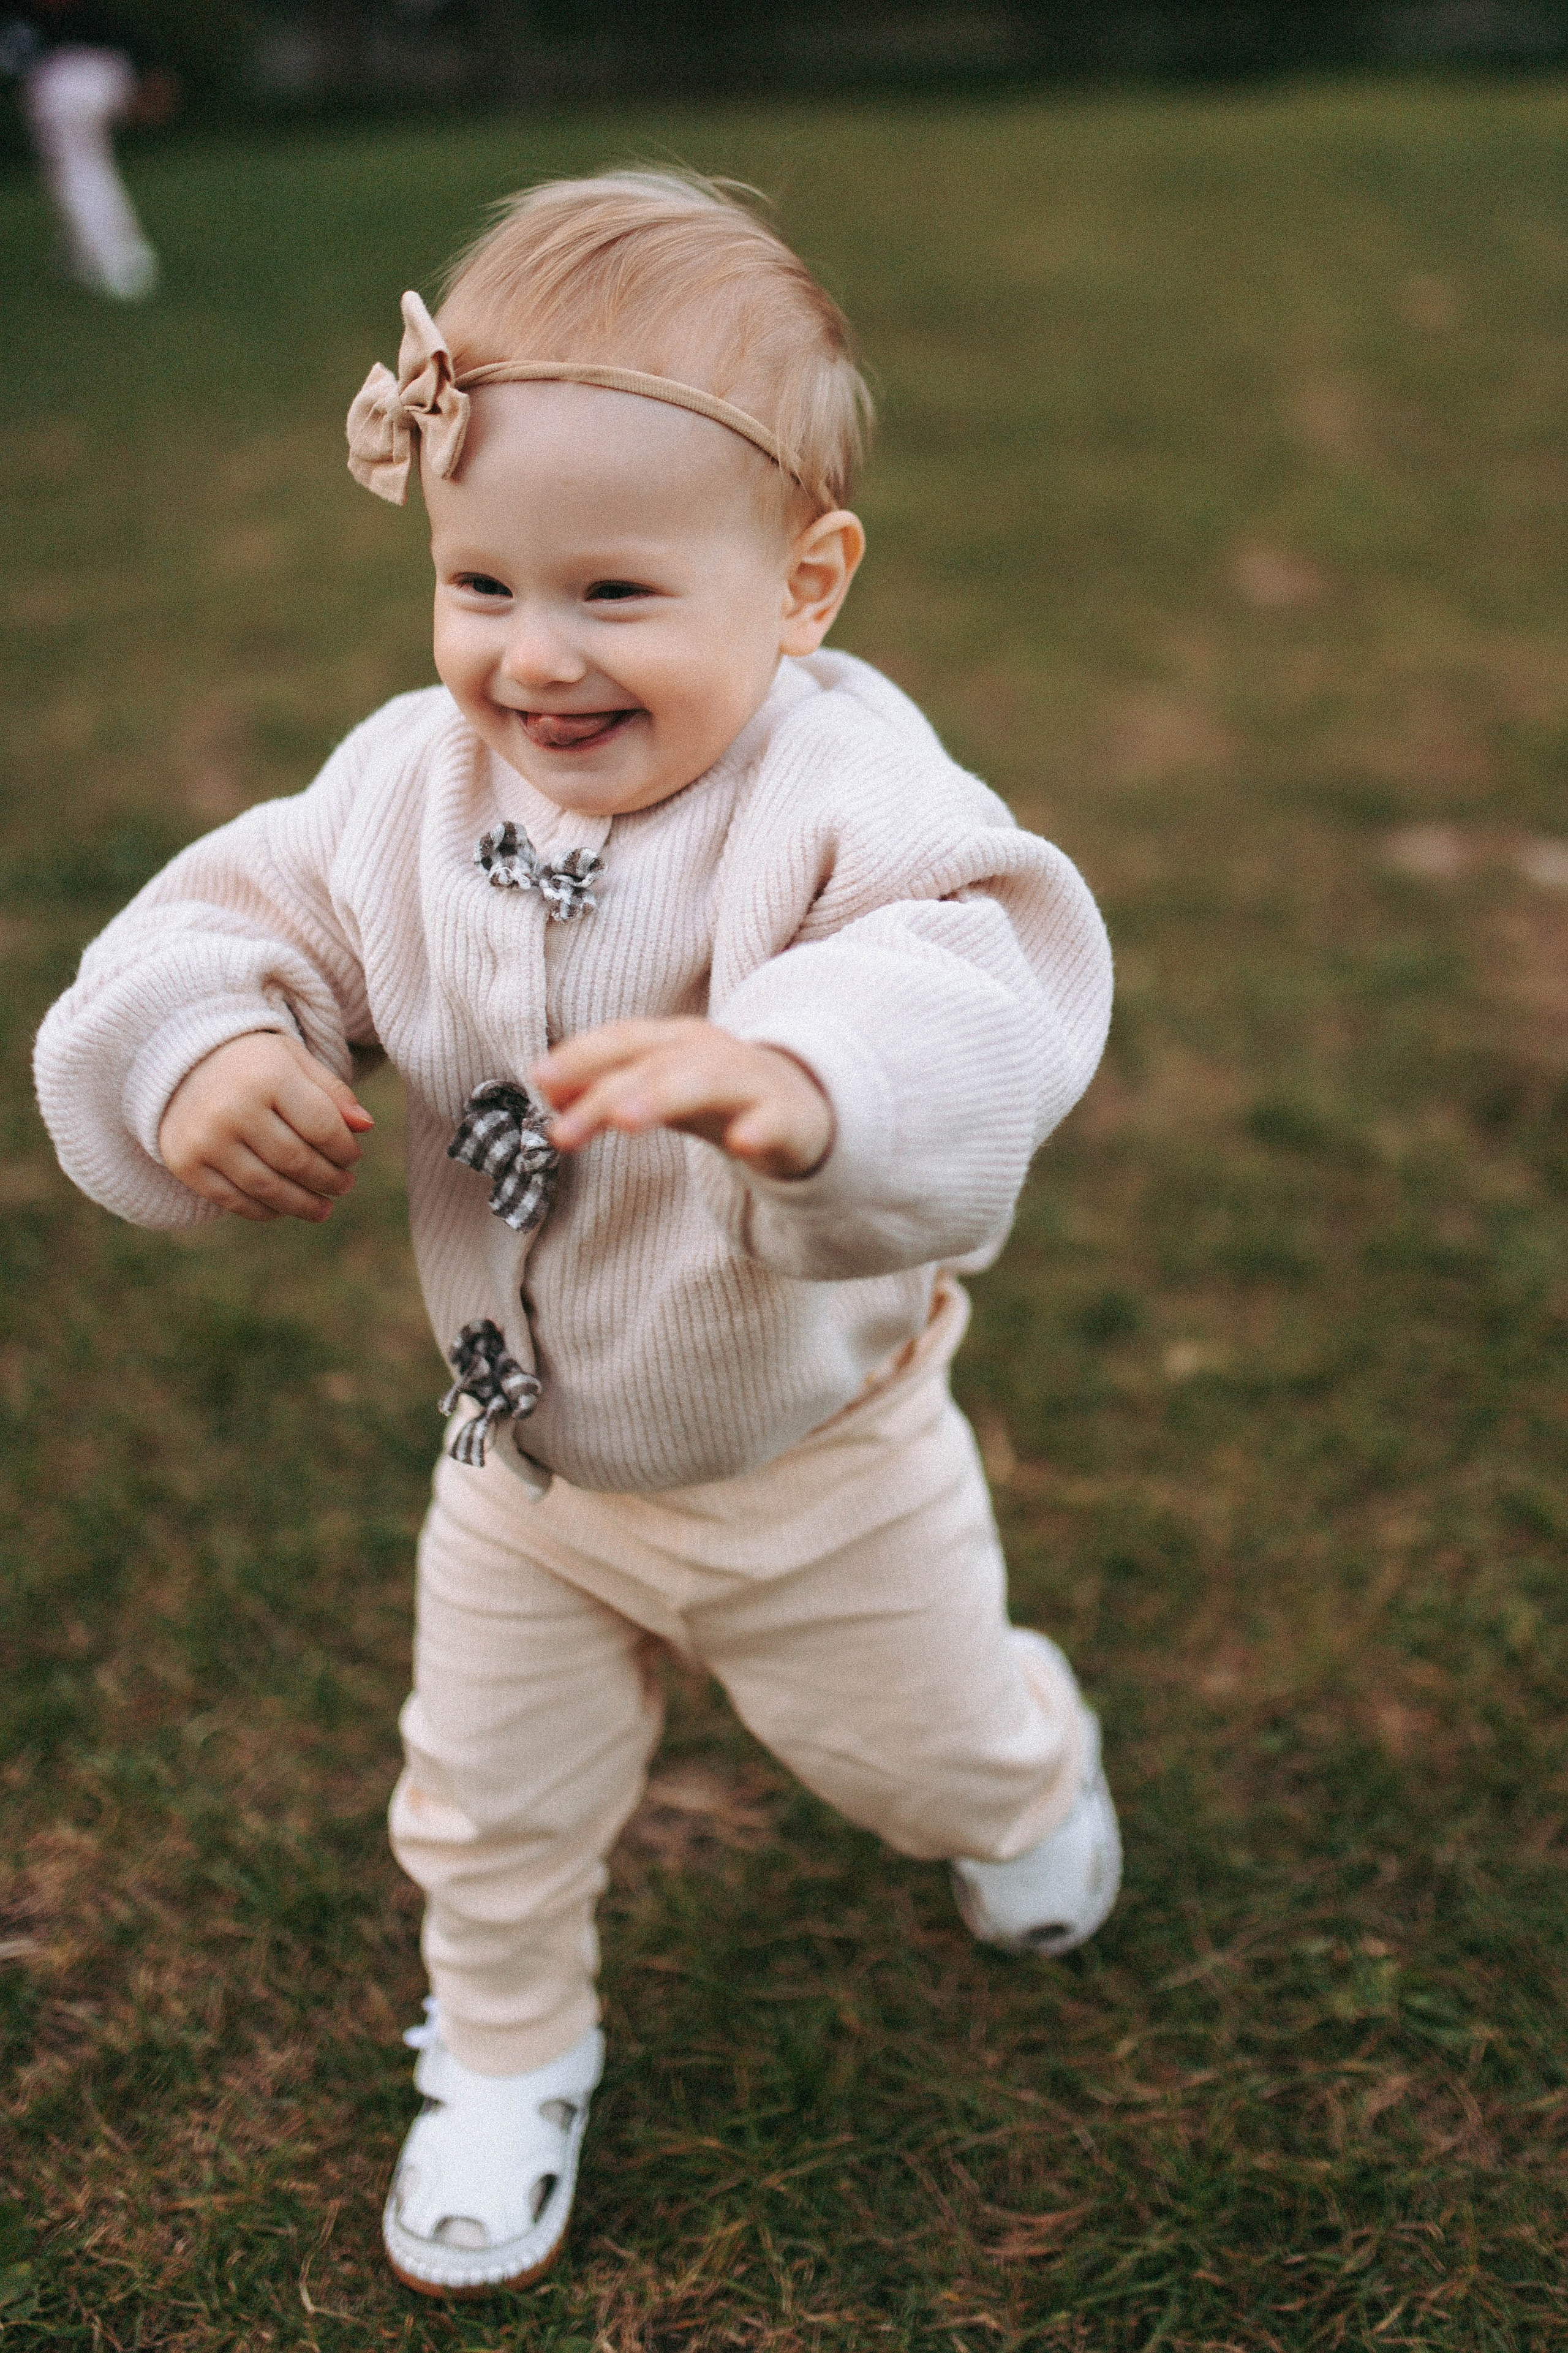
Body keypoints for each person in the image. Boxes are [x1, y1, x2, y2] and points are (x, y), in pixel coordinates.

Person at [34, 172, 1121, 2297]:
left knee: (923, 1761)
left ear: (802, 584)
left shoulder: (836, 790)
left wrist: (800, 1080)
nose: (533, 655)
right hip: (517, 1463)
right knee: (482, 1804)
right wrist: (199, 1049)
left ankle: (1026, 1765)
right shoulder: (404, 788)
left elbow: (970, 970)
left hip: (814, 1468)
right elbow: (217, 918)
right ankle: (512, 2048)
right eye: (479, 581)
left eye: (618, 591)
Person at [1, 1, 172, 300]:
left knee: (82, 174)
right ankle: (80, 259)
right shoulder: (91, 16)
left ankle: (124, 266)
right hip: (104, 75)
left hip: (65, 80)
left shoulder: (28, 16)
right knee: (72, 172)